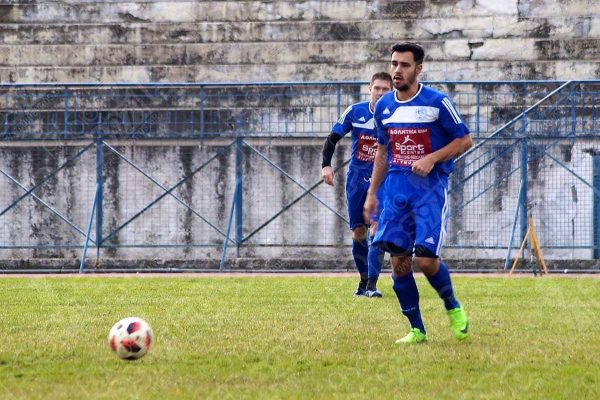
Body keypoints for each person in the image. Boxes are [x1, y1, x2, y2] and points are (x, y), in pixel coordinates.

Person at [363, 43, 473, 343]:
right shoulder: (384, 107)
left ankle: (452, 306)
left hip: (429, 191)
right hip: (396, 191)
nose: (397, 70)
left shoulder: (437, 102)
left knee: (425, 260)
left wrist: (432, 158)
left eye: (405, 65)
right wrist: (372, 194)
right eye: (394, 64)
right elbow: (382, 152)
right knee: (399, 263)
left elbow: (465, 140)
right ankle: (417, 329)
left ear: (418, 69)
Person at [322, 72, 392, 297]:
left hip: (383, 179)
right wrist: (326, 165)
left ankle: (372, 286)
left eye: (385, 89)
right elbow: (332, 138)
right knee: (358, 232)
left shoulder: (396, 113)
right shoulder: (355, 111)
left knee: (376, 228)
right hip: (357, 179)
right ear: (370, 89)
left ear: (391, 91)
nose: (380, 93)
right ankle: (363, 283)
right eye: (377, 88)